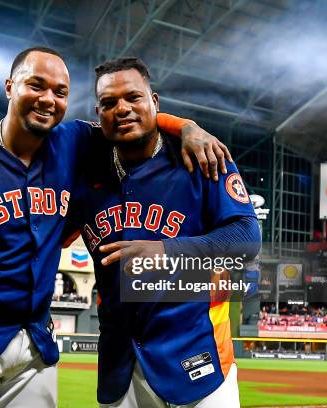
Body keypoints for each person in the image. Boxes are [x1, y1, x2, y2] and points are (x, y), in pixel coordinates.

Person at [0, 47, 234, 408]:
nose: (47, 99)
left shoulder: (73, 143)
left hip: (36, 346)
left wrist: (186, 127)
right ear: (10, 87)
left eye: (59, 92)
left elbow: (131, 118)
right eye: (35, 85)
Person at [66, 57, 261, 407]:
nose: (122, 108)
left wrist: (167, 251)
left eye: (133, 97)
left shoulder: (202, 157)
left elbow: (247, 237)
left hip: (197, 349)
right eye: (109, 103)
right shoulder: (83, 167)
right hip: (119, 365)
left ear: (154, 102)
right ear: (98, 113)